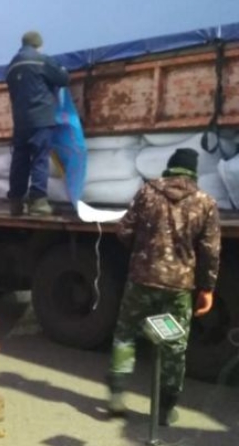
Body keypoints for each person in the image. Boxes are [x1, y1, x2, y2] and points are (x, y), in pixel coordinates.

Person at [106, 148, 221, 425]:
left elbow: (124, 230)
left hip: (141, 280)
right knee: (174, 346)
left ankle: (117, 394)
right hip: (178, 287)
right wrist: (207, 288)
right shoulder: (205, 202)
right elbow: (210, 251)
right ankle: (165, 409)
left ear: (170, 167)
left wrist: (142, 250)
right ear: (193, 172)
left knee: (126, 334)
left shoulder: (147, 192)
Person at [5, 31, 70, 216]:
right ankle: (38, 202)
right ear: (38, 44)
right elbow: (63, 79)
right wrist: (62, 69)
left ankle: (16, 203)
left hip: (20, 121)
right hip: (41, 119)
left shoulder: (11, 66)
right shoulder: (42, 60)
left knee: (19, 161)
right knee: (40, 158)